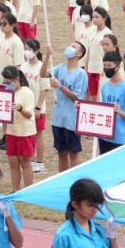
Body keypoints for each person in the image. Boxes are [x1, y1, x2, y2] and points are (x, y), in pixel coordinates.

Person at [41, 42, 88, 171]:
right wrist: (46, 57)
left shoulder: (81, 74)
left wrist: (60, 86)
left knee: (73, 153)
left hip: (72, 120)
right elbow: (43, 74)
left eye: (74, 47)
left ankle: (75, 182)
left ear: (79, 54)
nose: (70, 48)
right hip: (58, 118)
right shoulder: (60, 68)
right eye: (70, 45)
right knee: (61, 153)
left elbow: (77, 98)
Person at [0, 66, 36, 191]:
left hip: (25, 133)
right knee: (13, 163)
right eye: (4, 82)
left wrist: (20, 108)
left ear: (16, 79)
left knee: (25, 163)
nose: (6, 85)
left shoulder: (27, 93)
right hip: (11, 132)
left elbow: (29, 114)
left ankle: (28, 190)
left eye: (8, 82)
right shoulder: (5, 93)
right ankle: (15, 190)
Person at [20, 39, 50, 174]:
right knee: (28, 134)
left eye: (29, 49)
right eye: (25, 48)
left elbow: (45, 89)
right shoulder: (23, 67)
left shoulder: (41, 67)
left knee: (38, 135)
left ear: (36, 51)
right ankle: (30, 159)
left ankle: (40, 162)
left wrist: (38, 107)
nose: (27, 52)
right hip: (25, 107)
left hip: (37, 108)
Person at [97, 51, 125, 153]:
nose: (106, 68)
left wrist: (119, 111)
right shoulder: (104, 86)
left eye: (109, 65)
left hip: (119, 137)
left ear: (118, 67)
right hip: (104, 135)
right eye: (105, 65)